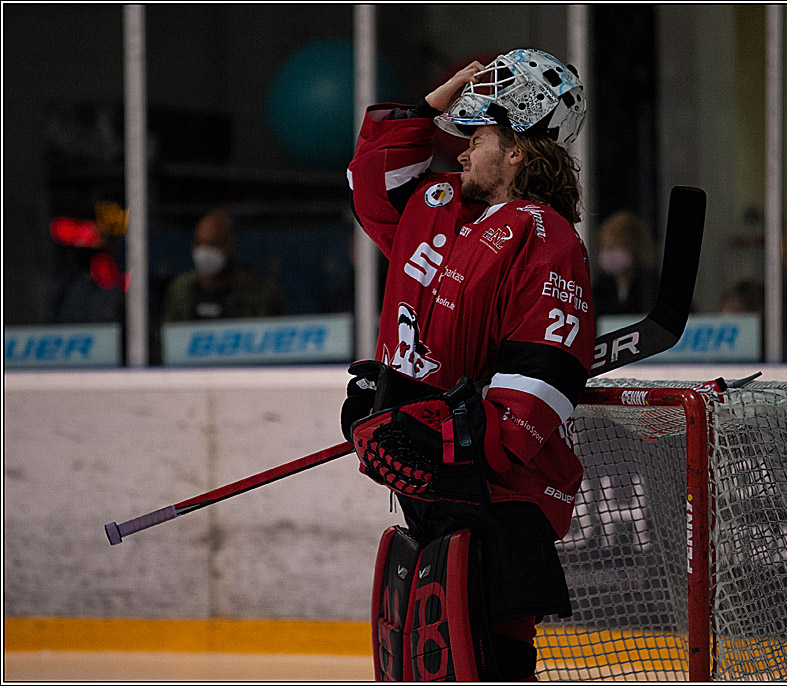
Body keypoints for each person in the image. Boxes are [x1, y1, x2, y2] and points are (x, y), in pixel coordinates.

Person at [343, 48, 593, 681]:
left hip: (498, 496)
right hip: (437, 486)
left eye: (477, 137)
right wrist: (390, 398)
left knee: (490, 657)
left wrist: (449, 439)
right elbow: (370, 185)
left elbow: (542, 375)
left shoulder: (545, 235)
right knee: (429, 659)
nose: (459, 152)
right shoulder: (439, 208)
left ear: (516, 153)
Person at [161, 209, 288, 322]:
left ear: (232, 244)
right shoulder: (180, 289)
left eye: (214, 243)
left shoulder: (260, 292)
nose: (206, 251)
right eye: (200, 243)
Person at [592, 210, 657, 316]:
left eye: (616, 247)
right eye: (605, 248)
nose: (610, 254)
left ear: (635, 246)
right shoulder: (600, 288)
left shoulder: (650, 285)